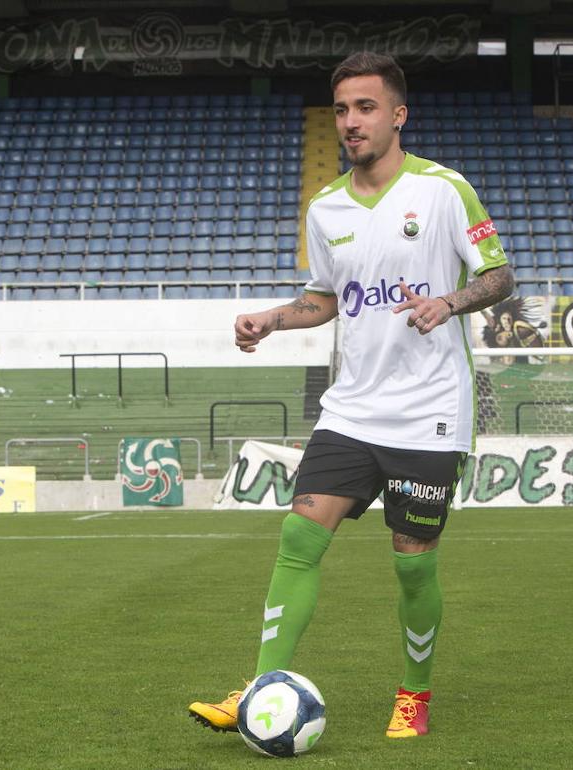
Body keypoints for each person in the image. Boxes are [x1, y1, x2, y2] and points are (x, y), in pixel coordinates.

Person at [188, 51, 513, 739]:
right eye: (341, 109)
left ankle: (413, 697)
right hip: (352, 408)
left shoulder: (444, 190)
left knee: (412, 565)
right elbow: (324, 300)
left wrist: (451, 301)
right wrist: (272, 319)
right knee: (299, 536)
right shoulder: (326, 207)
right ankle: (259, 687)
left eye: (365, 107)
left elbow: (498, 275)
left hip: (428, 411)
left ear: (398, 114)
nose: (350, 122)